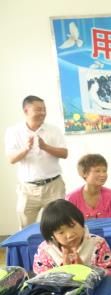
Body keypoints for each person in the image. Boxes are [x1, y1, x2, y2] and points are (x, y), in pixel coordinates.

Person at [5, 95, 68, 229]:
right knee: (25, 228)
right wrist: (26, 149)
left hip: (54, 186)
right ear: (26, 111)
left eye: (44, 109)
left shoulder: (53, 130)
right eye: (38, 109)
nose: (43, 112)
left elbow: (64, 154)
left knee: (58, 225)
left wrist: (46, 147)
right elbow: (11, 159)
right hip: (27, 189)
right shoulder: (14, 131)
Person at [66, 154, 111, 219]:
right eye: (97, 171)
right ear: (84, 173)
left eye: (104, 171)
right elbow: (68, 223)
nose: (102, 175)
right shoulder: (72, 198)